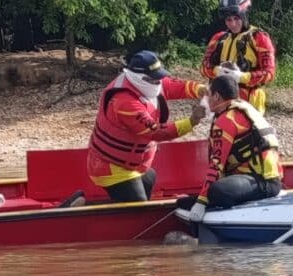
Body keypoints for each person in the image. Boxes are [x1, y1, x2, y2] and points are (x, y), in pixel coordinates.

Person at [87, 50, 208, 202]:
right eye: (155, 80)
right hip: (112, 167)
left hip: (133, 164)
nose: (159, 83)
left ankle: (86, 203)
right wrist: (191, 122)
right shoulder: (125, 102)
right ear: (141, 78)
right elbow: (156, 132)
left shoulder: (144, 84)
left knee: (149, 178)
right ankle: (82, 207)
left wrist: (198, 89)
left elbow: (170, 85)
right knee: (138, 207)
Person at [183, 74, 283, 222]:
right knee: (207, 192)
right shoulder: (244, 108)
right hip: (268, 179)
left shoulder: (226, 120)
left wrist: (201, 201)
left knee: (217, 191)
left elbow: (216, 164)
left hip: (262, 182)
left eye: (209, 94)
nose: (206, 99)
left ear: (217, 96)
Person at [201, 0, 276, 113]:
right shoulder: (218, 38)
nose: (233, 24)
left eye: (236, 18)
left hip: (249, 101)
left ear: (244, 15)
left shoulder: (259, 37)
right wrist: (216, 71)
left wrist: (242, 77)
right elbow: (203, 67)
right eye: (228, 20)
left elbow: (269, 73)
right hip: (221, 100)